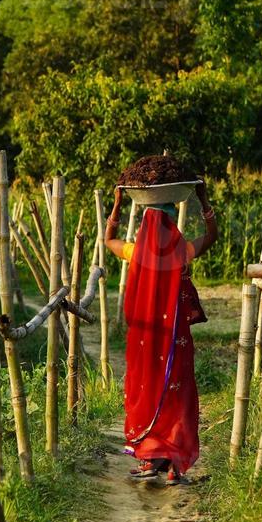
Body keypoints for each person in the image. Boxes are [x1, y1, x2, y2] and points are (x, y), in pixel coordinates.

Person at [105, 175, 218, 485]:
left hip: (146, 338)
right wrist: (203, 200)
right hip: (175, 342)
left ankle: (149, 459)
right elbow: (212, 234)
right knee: (176, 393)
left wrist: (117, 205)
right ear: (173, 226)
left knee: (147, 387)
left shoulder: (134, 251)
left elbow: (108, 240)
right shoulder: (181, 253)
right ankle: (172, 465)